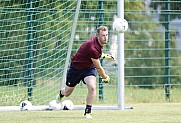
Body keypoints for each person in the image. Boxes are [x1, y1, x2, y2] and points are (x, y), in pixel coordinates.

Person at [56, 26, 114, 118]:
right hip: (76, 69)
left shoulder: (97, 44)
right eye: (103, 35)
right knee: (67, 93)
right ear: (97, 36)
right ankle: (61, 94)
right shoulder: (93, 47)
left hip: (88, 69)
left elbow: (94, 55)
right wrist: (105, 77)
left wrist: (102, 55)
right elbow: (99, 67)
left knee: (92, 87)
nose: (105, 37)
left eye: (106, 35)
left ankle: (88, 112)